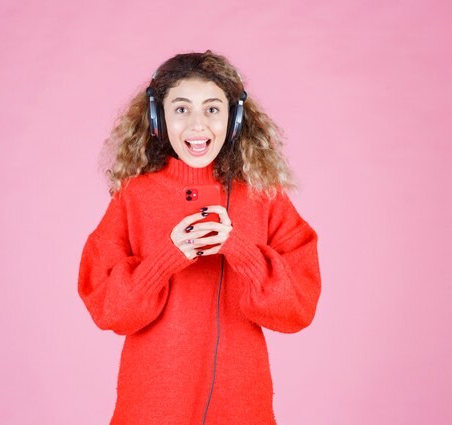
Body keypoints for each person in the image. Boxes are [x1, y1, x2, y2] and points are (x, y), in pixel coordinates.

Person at [77, 50, 322, 425]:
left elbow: (297, 311)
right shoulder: (133, 197)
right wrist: (166, 258)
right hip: (151, 405)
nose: (197, 125)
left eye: (212, 109)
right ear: (158, 118)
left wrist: (238, 248)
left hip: (241, 406)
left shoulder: (264, 195)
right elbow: (111, 312)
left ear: (234, 119)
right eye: (181, 109)